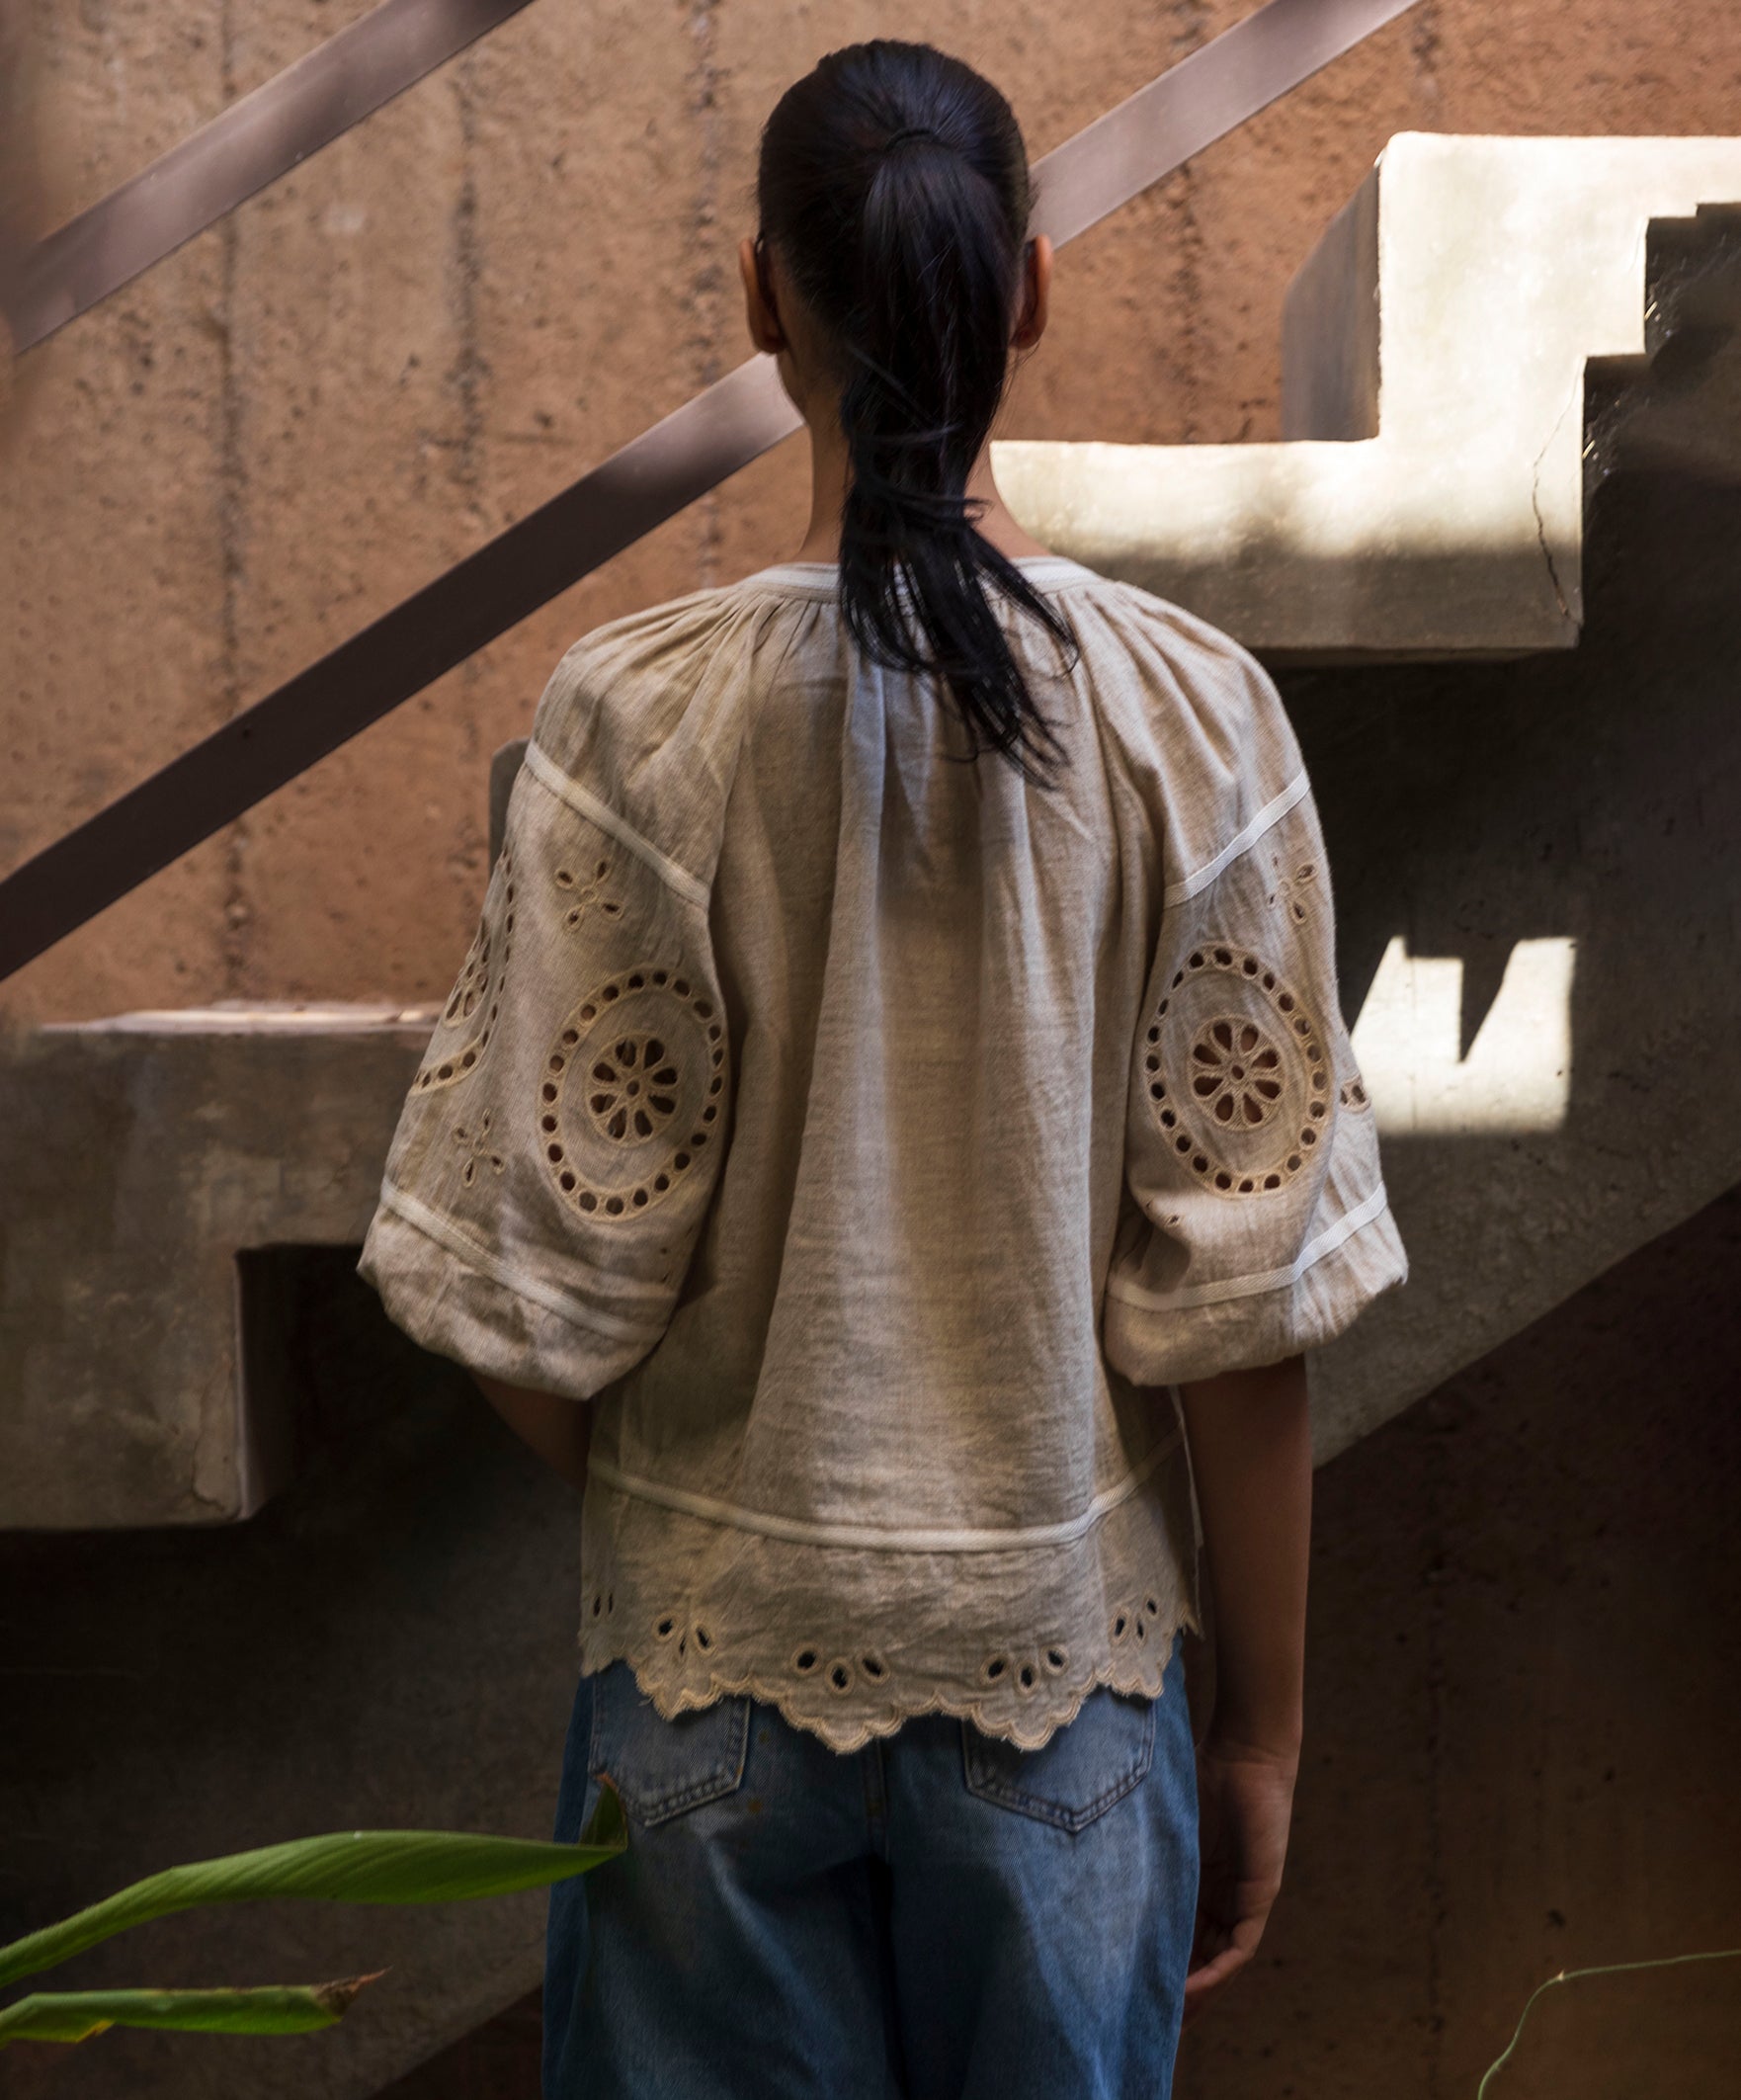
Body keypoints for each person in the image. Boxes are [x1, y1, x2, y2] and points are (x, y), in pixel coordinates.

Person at [357, 36, 1407, 2100]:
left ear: (761, 299)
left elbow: (506, 1297)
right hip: (1076, 1692)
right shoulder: (1190, 724)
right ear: (1024, 287)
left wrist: (719, 1518)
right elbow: (1243, 1317)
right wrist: (1261, 1731)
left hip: (700, 1694)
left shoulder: (632, 725)